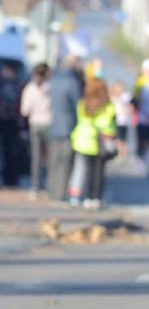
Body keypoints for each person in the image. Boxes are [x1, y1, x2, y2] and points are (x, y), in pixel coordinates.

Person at [67, 76, 117, 209]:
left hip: (82, 141)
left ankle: (78, 196)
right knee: (98, 172)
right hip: (98, 143)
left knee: (83, 170)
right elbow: (106, 124)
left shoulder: (83, 103)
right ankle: (95, 197)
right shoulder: (106, 106)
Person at [45, 55, 84, 202]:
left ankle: (52, 190)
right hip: (68, 127)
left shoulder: (53, 81)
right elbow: (78, 106)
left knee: (53, 161)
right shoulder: (72, 82)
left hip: (53, 124)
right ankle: (61, 194)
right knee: (65, 162)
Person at [19, 63, 52, 197]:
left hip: (35, 124)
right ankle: (48, 183)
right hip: (49, 124)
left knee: (36, 156)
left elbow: (24, 110)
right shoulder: (51, 87)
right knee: (49, 157)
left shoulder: (29, 89)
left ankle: (35, 186)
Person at [109, 80, 132, 159]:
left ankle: (123, 155)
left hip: (124, 122)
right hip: (116, 121)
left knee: (122, 140)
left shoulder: (126, 97)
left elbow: (131, 106)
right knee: (118, 140)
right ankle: (121, 154)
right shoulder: (112, 97)